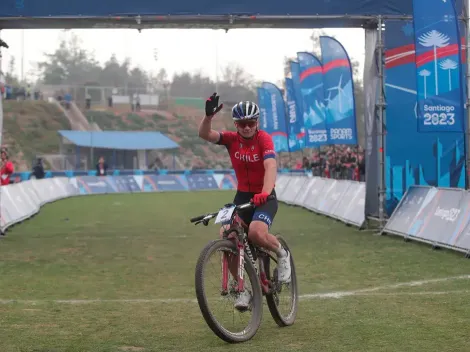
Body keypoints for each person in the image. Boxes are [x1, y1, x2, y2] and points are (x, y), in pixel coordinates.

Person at [198, 92, 291, 311]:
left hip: (265, 196)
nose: (247, 128)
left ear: (257, 123)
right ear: (236, 125)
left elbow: (270, 167)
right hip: (242, 196)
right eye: (242, 124)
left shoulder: (263, 139)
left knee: (256, 234)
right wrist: (208, 117)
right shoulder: (231, 139)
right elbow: (204, 134)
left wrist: (265, 191)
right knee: (226, 235)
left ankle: (281, 253)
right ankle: (245, 289)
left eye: (251, 123)